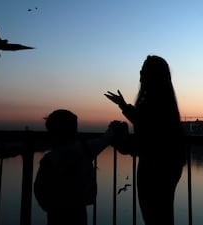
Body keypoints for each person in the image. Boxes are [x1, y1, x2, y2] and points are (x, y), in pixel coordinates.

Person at [104, 55, 187, 225]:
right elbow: (148, 123)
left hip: (152, 171)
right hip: (169, 167)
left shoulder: (150, 101)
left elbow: (145, 140)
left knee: (154, 216)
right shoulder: (164, 101)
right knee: (163, 215)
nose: (140, 74)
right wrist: (123, 106)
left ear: (151, 75)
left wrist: (118, 139)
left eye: (143, 70)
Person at [33, 109, 127, 225]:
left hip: (56, 211)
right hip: (78, 207)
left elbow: (39, 188)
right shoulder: (84, 149)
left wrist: (49, 205)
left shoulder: (49, 159)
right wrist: (114, 128)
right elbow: (104, 140)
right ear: (72, 131)